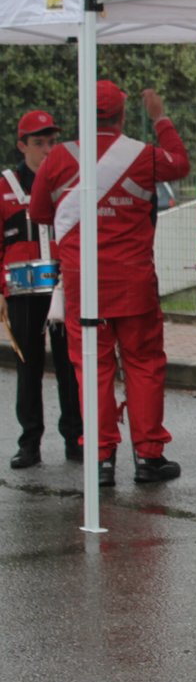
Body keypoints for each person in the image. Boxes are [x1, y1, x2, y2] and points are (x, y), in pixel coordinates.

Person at [29, 81, 189, 487]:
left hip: (84, 287)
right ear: (120, 116)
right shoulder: (142, 155)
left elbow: (40, 212)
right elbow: (181, 163)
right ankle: (148, 457)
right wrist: (160, 117)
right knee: (144, 367)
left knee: (93, 372)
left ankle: (101, 459)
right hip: (134, 284)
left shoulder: (59, 157)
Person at [2, 110, 82, 468]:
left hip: (64, 284)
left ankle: (75, 437)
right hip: (21, 290)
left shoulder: (69, 179)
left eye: (52, 142)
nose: (48, 150)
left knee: (69, 364)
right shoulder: (5, 184)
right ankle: (29, 442)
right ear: (22, 145)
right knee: (28, 364)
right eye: (39, 143)